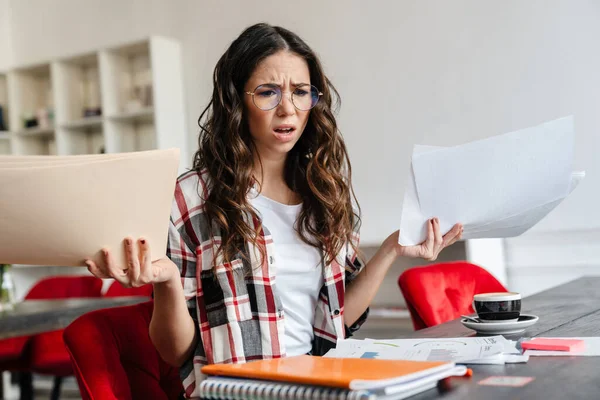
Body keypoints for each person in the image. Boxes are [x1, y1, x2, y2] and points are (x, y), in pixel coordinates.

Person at [84, 23, 463, 398]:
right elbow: (175, 352)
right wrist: (165, 282)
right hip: (240, 392)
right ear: (236, 102)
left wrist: (392, 248)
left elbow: (338, 320)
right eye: (268, 92)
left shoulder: (323, 192)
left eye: (300, 92)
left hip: (320, 385)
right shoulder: (190, 198)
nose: (288, 109)